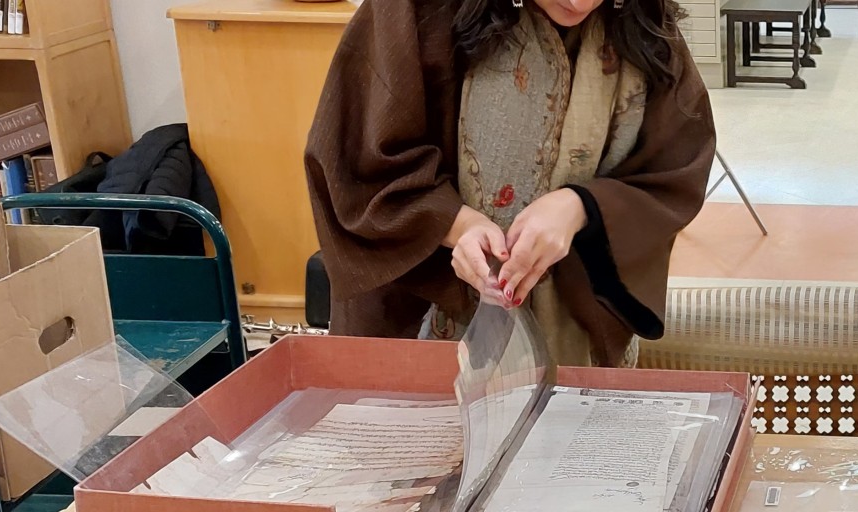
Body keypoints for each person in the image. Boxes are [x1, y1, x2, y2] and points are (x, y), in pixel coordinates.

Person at [306, 0, 715, 367]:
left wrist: (580, 207)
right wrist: (455, 224)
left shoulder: (639, 16)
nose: (579, 2)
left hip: (576, 336)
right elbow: (354, 162)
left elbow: (674, 171)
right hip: (420, 325)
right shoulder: (413, 10)